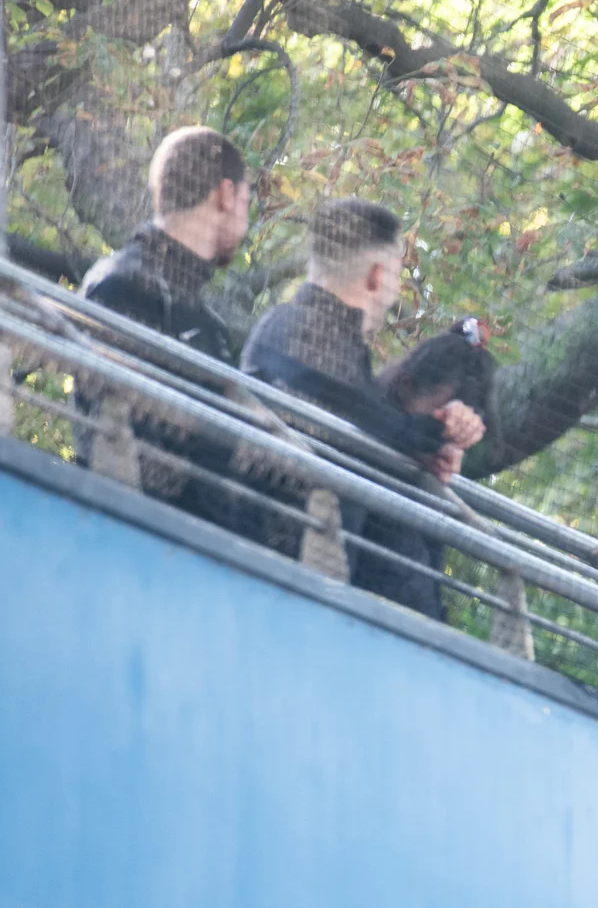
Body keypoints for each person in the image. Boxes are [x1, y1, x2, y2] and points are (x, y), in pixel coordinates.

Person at [242, 199, 483, 619]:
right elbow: (354, 426)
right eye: (397, 276)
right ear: (377, 275)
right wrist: (426, 438)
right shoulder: (313, 338)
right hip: (288, 577)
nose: (395, 292)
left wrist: (426, 446)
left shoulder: (297, 330)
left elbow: (362, 424)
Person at [78, 126, 262, 533]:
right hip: (138, 541)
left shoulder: (207, 325)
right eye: (246, 204)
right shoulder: (126, 284)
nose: (246, 224)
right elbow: (124, 445)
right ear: (226, 195)